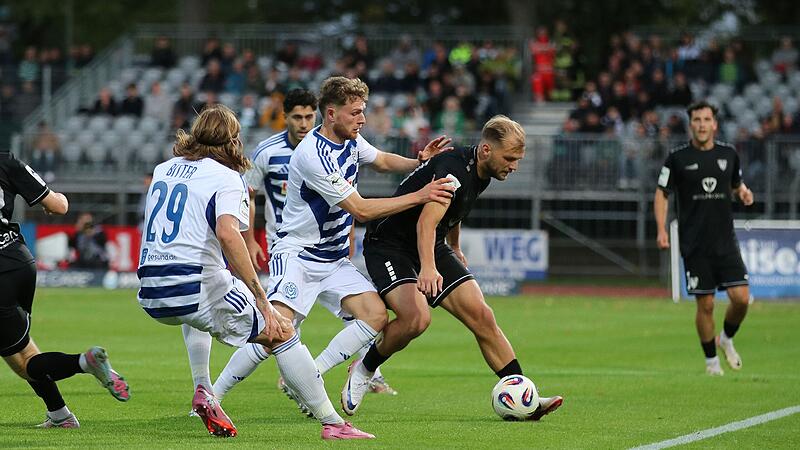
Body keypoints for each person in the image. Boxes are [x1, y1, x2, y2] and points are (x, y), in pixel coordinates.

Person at [216, 76, 454, 415]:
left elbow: (382, 160)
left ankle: (307, 375)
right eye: (355, 113)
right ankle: (213, 396)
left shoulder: (352, 141)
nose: (362, 119)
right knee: (275, 330)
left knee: (374, 315)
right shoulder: (314, 154)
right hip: (297, 254)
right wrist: (419, 196)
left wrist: (417, 162)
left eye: (363, 112)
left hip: (332, 259)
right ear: (331, 113)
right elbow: (360, 209)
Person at [137, 104, 374, 440]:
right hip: (192, 283)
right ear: (233, 140)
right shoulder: (227, 177)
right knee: (281, 331)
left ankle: (204, 389)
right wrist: (261, 299)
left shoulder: (164, 169)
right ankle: (333, 423)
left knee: (197, 312)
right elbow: (227, 233)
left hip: (149, 289)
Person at [344, 116, 562, 419]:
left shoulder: (482, 171)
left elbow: (454, 210)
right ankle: (365, 368)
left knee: (483, 316)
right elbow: (426, 222)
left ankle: (524, 394)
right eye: (510, 158)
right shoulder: (453, 170)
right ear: (486, 150)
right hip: (390, 244)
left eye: (518, 159)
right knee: (416, 319)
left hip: (430, 243)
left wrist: (455, 246)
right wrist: (430, 268)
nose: (514, 166)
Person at [0, 151, 129, 428]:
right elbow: (59, 206)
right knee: (18, 351)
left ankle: (85, 362)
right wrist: (57, 200)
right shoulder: (5, 161)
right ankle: (60, 414)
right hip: (19, 261)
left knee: (26, 362)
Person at [654, 100, 754, 376]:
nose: (701, 125)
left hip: (725, 241)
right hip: (694, 244)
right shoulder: (677, 158)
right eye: (696, 120)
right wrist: (662, 229)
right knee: (706, 304)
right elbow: (662, 192)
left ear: (715, 124)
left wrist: (743, 192)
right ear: (691, 125)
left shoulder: (729, 154)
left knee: (742, 299)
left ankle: (727, 339)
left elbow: (736, 185)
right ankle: (711, 363)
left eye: (706, 119)